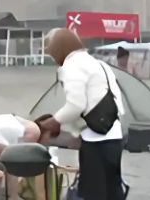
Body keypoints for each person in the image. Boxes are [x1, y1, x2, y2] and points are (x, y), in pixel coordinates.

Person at [37, 28, 125, 200]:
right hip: (113, 134)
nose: (53, 58)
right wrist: (77, 133)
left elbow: (76, 105)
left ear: (59, 48)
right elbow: (115, 102)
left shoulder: (72, 66)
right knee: (112, 192)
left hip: (95, 140)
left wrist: (53, 122)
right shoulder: (99, 64)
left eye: (52, 52)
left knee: (93, 193)